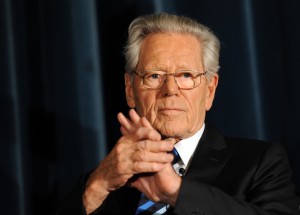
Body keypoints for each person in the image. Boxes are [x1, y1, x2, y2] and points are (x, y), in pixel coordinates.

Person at [57, 13, 300, 215]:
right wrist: (99, 184)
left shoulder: (261, 163)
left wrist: (175, 192)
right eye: (154, 76)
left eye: (186, 76)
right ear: (130, 91)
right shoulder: (107, 178)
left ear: (210, 90)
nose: (170, 90)